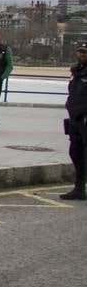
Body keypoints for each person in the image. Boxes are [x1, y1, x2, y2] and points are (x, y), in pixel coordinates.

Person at [61, 41, 87, 201]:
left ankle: (80, 187)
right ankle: (79, 188)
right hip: (74, 117)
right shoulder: (77, 71)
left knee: (84, 154)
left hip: (85, 118)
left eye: (84, 53)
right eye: (80, 52)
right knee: (75, 152)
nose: (81, 55)